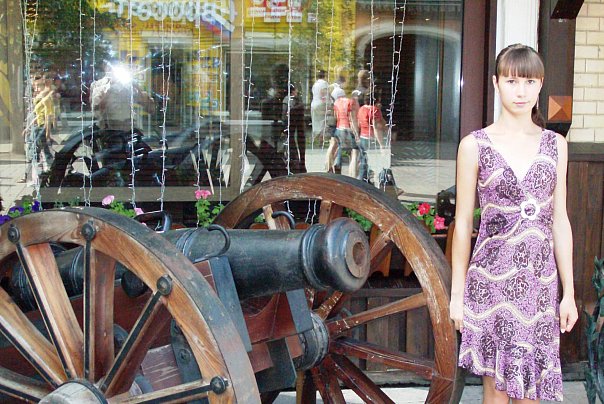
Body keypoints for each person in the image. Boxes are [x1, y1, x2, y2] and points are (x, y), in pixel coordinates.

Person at [450, 44, 578, 403]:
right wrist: (457, 296)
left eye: (529, 81)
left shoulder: (556, 145)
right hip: (491, 284)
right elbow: (462, 224)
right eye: (511, 81)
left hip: (539, 286)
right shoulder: (474, 146)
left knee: (532, 392)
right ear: (496, 83)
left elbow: (560, 220)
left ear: (540, 85)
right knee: (496, 391)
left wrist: (569, 293)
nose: (520, 91)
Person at [18, 77, 55, 183]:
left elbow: (48, 116)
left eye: (39, 86)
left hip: (42, 127)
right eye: (35, 86)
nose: (36, 88)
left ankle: (32, 175)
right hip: (38, 127)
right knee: (42, 151)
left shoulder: (46, 98)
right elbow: (38, 115)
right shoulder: (40, 99)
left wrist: (47, 132)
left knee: (36, 151)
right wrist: (28, 127)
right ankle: (37, 174)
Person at [326, 87, 359, 176]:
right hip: (347, 129)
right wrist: (356, 133)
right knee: (354, 153)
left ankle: (332, 167)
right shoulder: (350, 102)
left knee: (337, 147)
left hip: (339, 128)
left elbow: (336, 117)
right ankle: (352, 176)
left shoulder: (336, 102)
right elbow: (352, 119)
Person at [356, 92, 384, 182]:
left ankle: (362, 181)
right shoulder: (374, 110)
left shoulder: (361, 109)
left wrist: (357, 135)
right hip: (371, 138)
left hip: (362, 137)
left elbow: (358, 124)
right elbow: (376, 127)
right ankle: (375, 182)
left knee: (364, 162)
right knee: (376, 163)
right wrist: (381, 144)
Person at [282, 84, 307, 173]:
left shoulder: (291, 100)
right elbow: (286, 113)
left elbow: (285, 113)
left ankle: (297, 163)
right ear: (292, 91)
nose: (297, 91)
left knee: (293, 143)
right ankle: (297, 163)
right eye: (296, 90)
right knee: (294, 143)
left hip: (294, 126)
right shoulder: (291, 100)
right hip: (294, 126)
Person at [310, 70, 332, 146]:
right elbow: (323, 93)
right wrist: (328, 103)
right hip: (321, 104)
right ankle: (321, 140)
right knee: (324, 122)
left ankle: (315, 139)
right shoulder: (324, 83)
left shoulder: (315, 84)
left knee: (316, 123)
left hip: (314, 104)